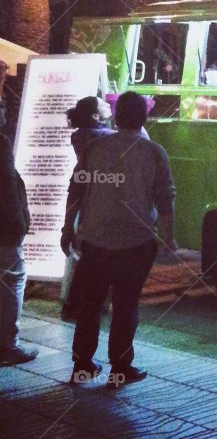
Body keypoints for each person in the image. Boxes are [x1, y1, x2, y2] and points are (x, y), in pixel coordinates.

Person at [61, 91, 175, 387]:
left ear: (116, 115)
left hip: (96, 241)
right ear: (144, 117)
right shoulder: (154, 153)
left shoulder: (96, 148)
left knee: (90, 305)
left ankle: (82, 365)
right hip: (136, 243)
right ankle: (121, 367)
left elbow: (76, 191)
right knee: (126, 306)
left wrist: (67, 229)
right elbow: (165, 199)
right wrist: (168, 238)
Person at [61, 97, 116, 321]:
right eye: (104, 105)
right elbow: (138, 139)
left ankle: (77, 303)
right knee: (97, 256)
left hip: (83, 196)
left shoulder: (83, 135)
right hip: (99, 200)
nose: (109, 106)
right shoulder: (103, 137)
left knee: (89, 255)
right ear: (95, 116)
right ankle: (83, 304)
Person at [0, 61, 38, 366]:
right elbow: (7, 189)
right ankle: (7, 345)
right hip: (4, 232)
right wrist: (18, 225)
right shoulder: (0, 144)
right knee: (11, 281)